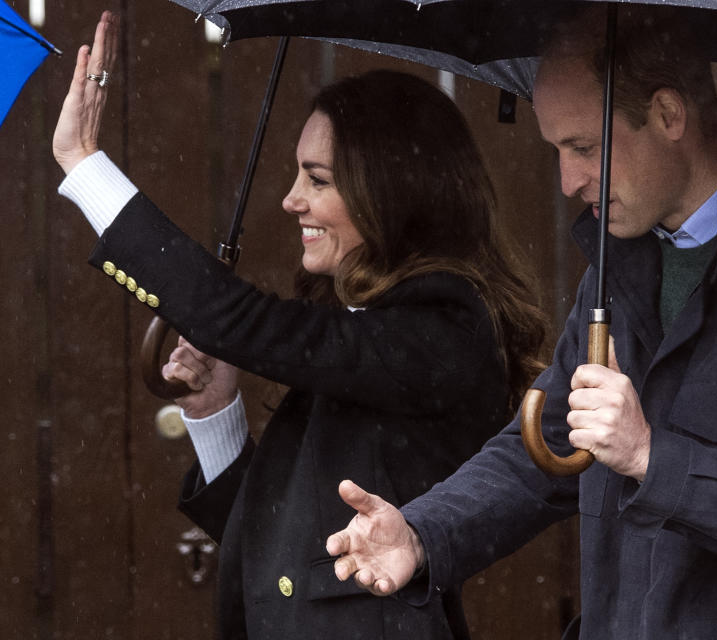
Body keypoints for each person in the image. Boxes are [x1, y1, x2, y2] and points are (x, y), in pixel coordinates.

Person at [324, 7, 717, 639]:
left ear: (669, 115)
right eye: (557, 150)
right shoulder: (615, 266)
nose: (567, 180)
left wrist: (651, 458)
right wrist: (423, 534)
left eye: (584, 148)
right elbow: (545, 446)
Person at [52, 11, 547, 640]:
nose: (291, 199)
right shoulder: (362, 331)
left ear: (388, 191)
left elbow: (241, 320)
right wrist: (214, 415)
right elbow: (278, 547)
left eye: (316, 179)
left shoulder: (439, 330)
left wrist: (85, 165)